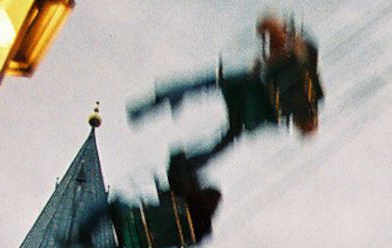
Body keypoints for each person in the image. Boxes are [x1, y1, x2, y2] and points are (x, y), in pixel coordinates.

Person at [131, 15, 323, 162]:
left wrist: (266, 59)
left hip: (246, 90)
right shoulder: (299, 85)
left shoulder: (299, 67)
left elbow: (271, 61)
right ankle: (192, 162)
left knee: (206, 84)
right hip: (248, 105)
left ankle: (158, 103)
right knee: (227, 137)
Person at [107, 149, 223, 248]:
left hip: (131, 223)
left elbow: (164, 207)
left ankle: (90, 225)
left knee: (111, 206)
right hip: (140, 245)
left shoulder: (187, 204)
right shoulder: (199, 229)